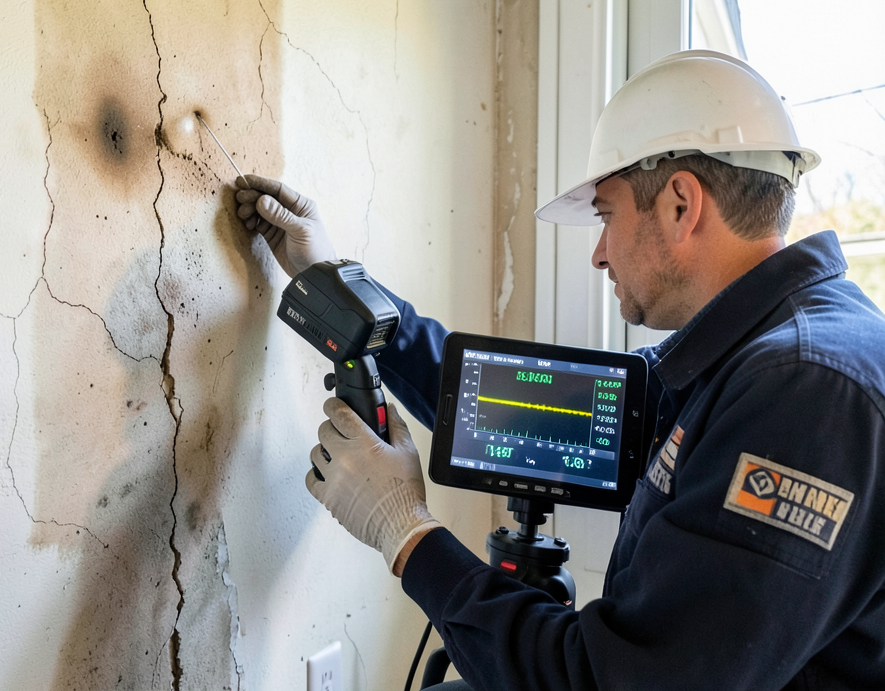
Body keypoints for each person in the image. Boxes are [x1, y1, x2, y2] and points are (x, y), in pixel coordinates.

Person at [235, 50, 885, 690]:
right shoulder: (748, 353)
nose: (599, 254)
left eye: (606, 216)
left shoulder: (807, 390)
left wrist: (404, 530)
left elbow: (614, 681)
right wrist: (338, 288)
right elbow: (527, 413)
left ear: (682, 206)